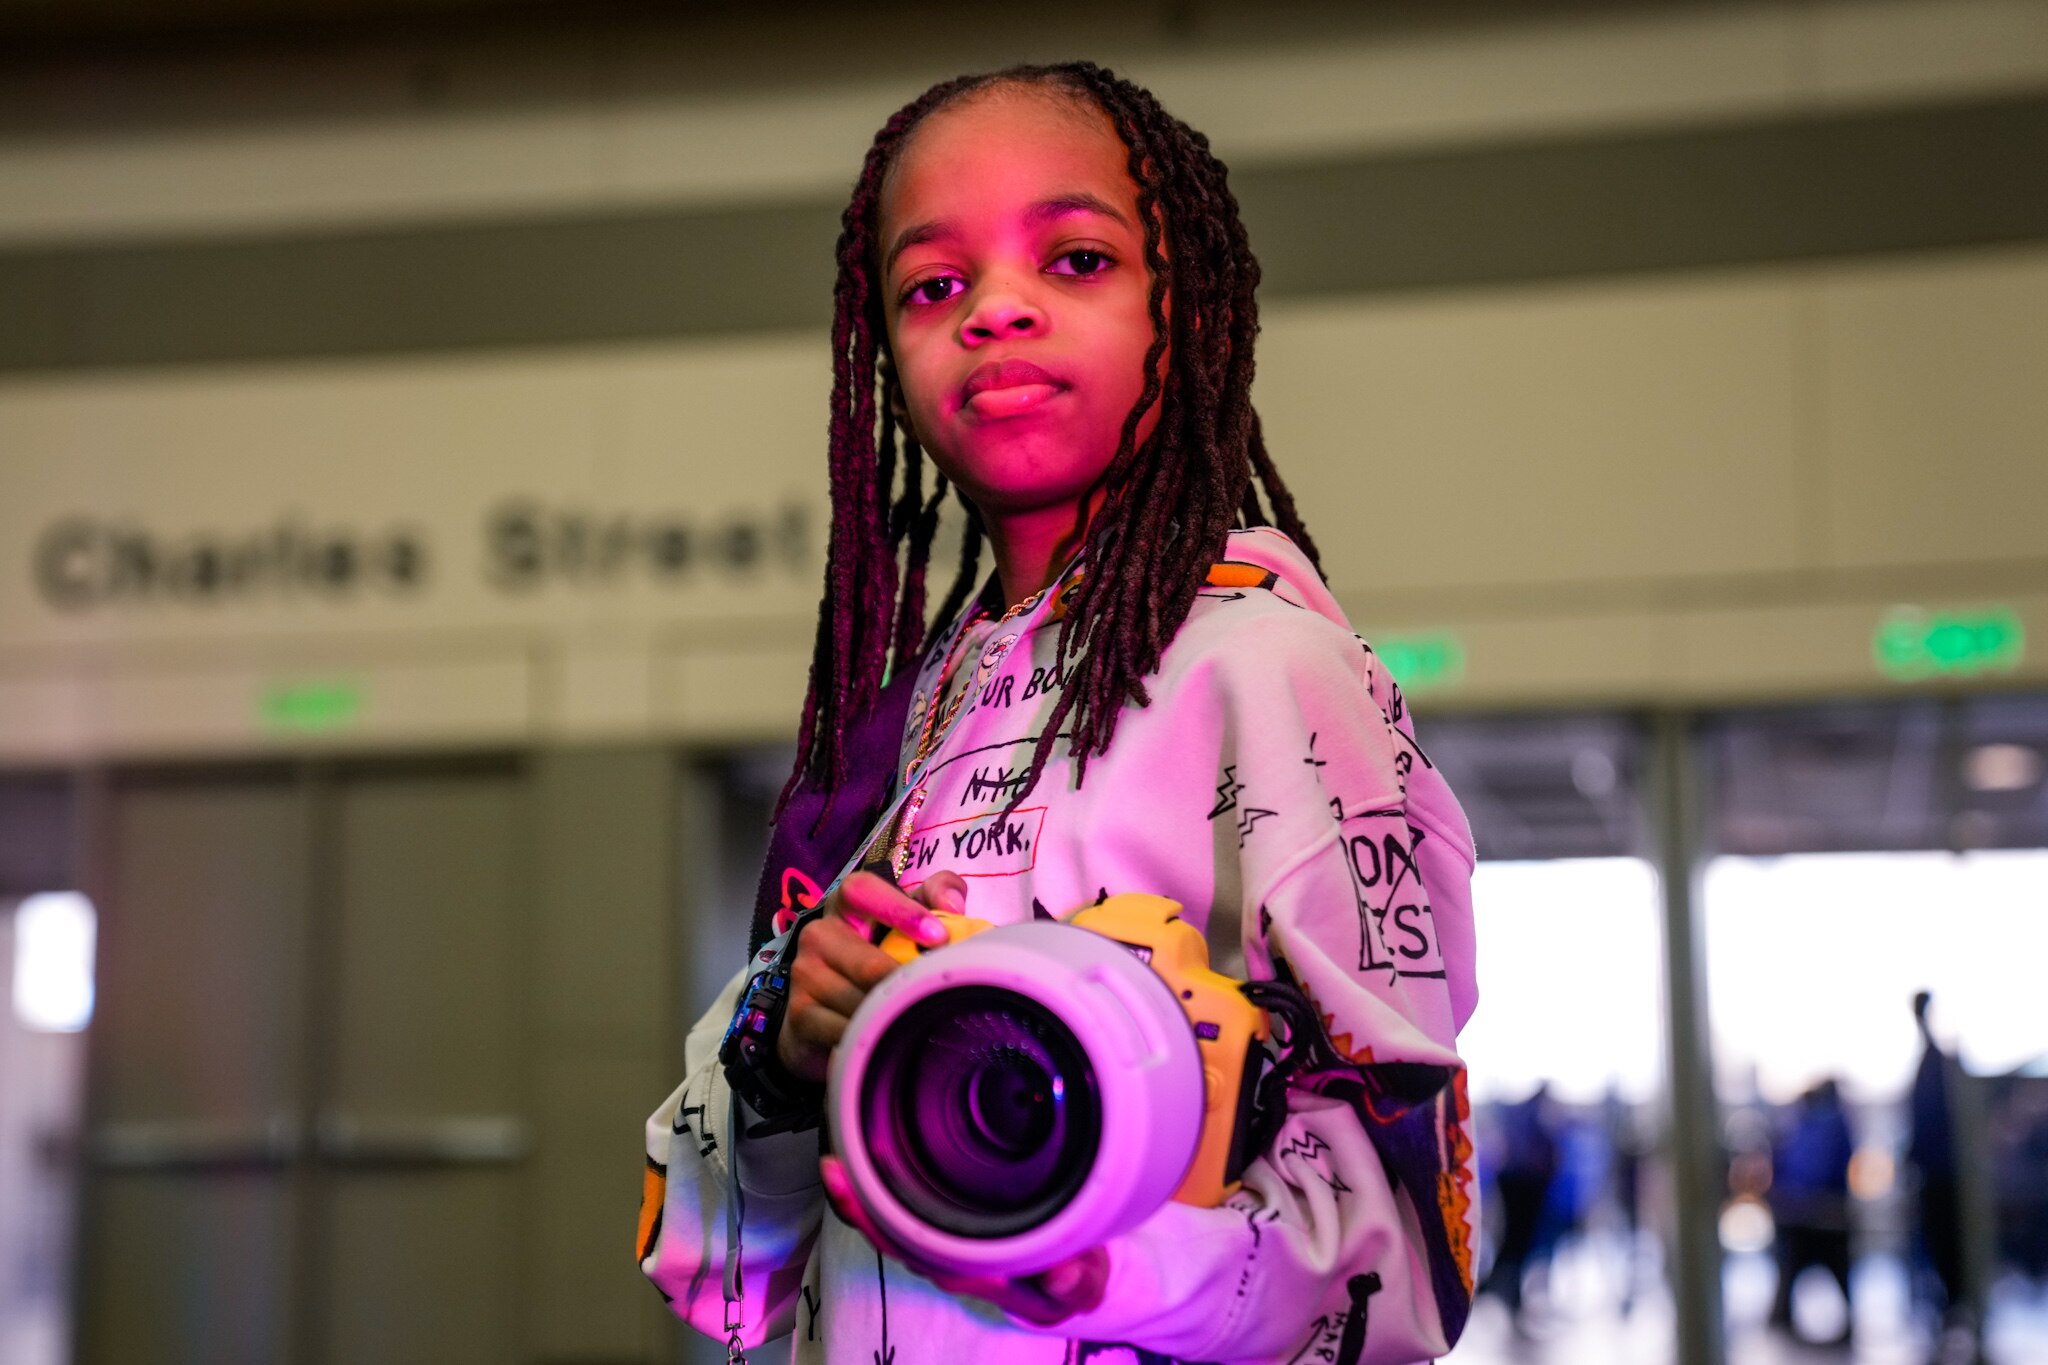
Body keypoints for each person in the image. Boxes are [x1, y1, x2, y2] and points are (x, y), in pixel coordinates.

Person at [637, 62, 1479, 1365]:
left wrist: (1104, 1271)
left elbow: (1401, 1247)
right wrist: (783, 1057)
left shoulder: (1270, 669)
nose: (996, 312)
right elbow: (724, 1280)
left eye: (1076, 260)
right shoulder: (897, 730)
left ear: (1191, 316)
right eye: (934, 285)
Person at [1767, 1078, 1855, 1345]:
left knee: (1829, 1270)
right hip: (1804, 1211)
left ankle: (1784, 1317)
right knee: (1795, 1270)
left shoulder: (1817, 1124)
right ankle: (1783, 1317)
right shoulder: (1812, 1124)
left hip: (1818, 1211)